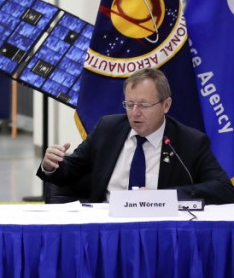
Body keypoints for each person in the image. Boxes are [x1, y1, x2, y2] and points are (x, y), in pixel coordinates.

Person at [37, 68, 234, 205]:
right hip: (105, 227)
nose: (134, 113)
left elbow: (224, 189)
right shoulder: (108, 128)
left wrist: (163, 197)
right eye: (129, 104)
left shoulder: (189, 142)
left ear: (166, 105)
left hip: (159, 230)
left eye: (143, 105)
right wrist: (50, 165)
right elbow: (72, 171)